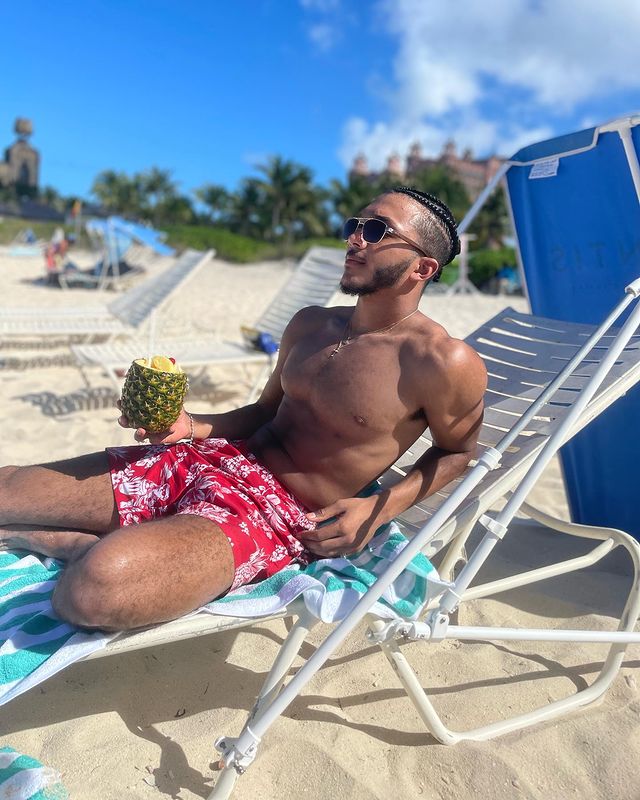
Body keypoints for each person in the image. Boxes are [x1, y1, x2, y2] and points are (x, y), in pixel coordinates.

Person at [0, 187, 487, 632]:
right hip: (213, 458)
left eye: (377, 230)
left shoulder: (443, 361)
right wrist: (189, 426)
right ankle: (107, 538)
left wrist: (379, 510)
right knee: (7, 489)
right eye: (354, 225)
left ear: (422, 268)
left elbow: (459, 452)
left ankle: (74, 545)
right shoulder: (310, 324)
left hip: (274, 513)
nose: (355, 238)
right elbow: (264, 410)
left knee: (92, 591)